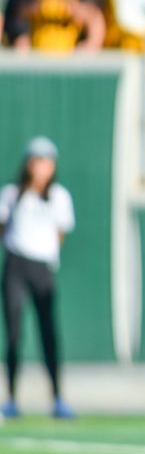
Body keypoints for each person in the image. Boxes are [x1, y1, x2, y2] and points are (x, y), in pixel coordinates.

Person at [0, 137, 75, 420]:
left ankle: (57, 398)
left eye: (46, 161)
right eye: (36, 160)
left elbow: (60, 233)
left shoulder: (59, 197)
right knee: (14, 334)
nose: (41, 166)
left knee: (49, 334)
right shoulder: (11, 194)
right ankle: (10, 399)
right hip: (15, 266)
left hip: (42, 269)